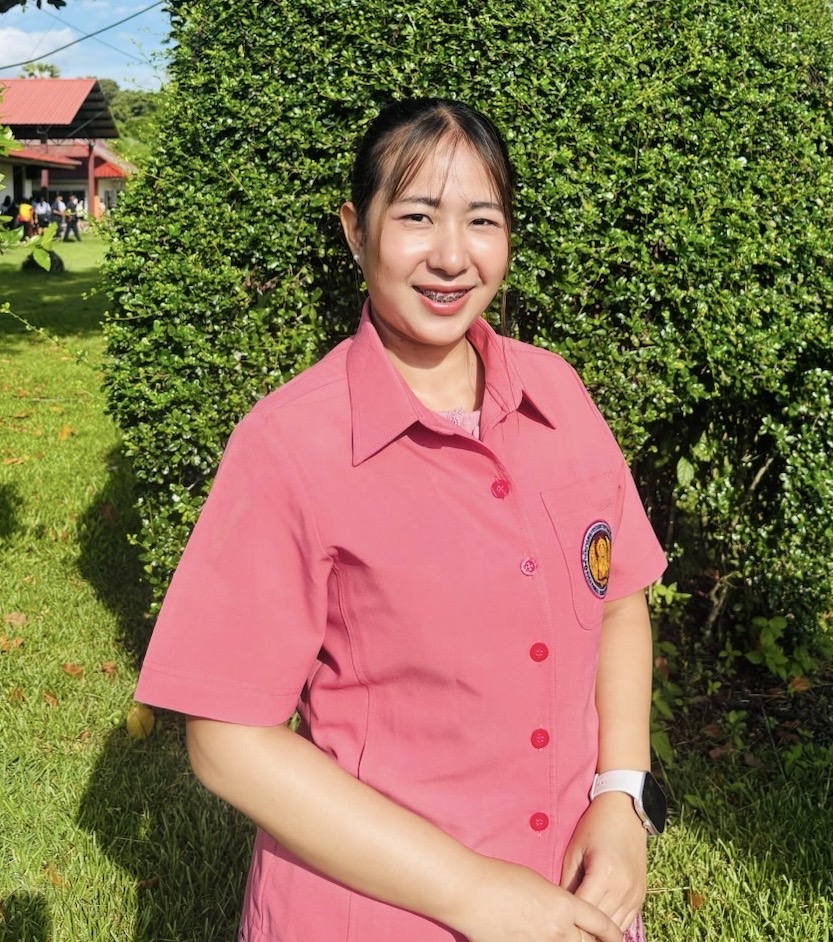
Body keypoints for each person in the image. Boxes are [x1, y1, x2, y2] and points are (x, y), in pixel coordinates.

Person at [135, 97, 667, 942]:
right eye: (417, 216)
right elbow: (229, 740)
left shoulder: (557, 394)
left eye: (482, 220)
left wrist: (623, 796)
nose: (452, 256)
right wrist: (475, 894)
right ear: (356, 231)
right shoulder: (290, 445)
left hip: (577, 895)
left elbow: (618, 603)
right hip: (378, 910)